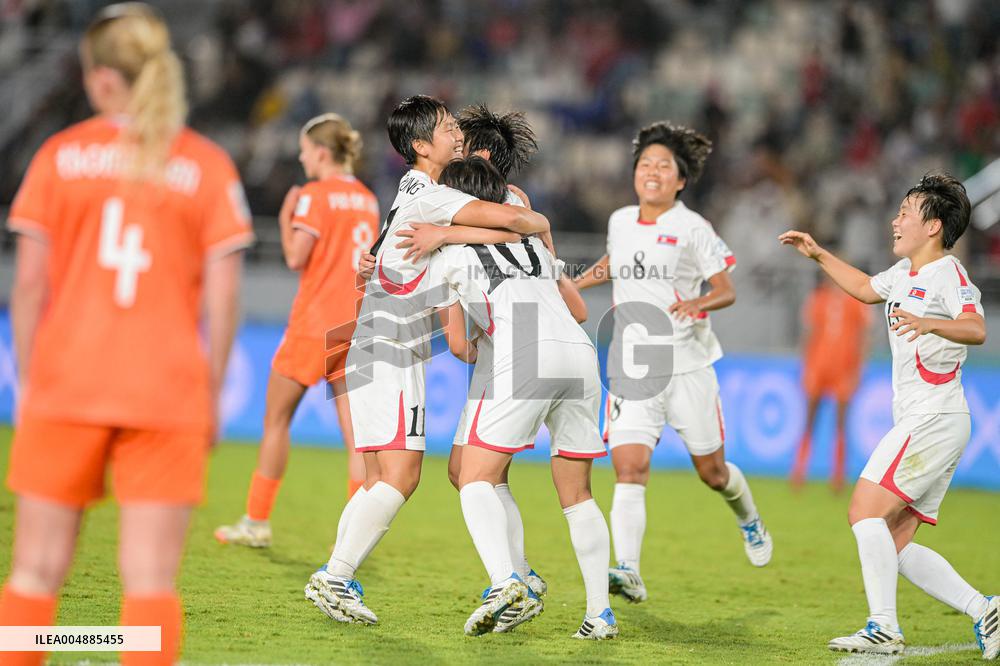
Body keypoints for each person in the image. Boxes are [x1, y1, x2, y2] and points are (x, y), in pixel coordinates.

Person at [0, 4, 253, 665]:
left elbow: (27, 288)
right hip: (166, 391)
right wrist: (211, 392)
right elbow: (224, 299)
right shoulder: (205, 165)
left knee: (33, 574)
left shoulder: (59, 157)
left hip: (66, 385)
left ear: (104, 79)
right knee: (149, 584)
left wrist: (32, 385)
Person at [304, 95, 550, 625]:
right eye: (445, 128)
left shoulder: (414, 192)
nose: (457, 133)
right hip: (390, 351)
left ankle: (335, 577)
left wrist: (382, 261)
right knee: (400, 476)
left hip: (374, 344)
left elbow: (402, 252)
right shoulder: (431, 197)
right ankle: (335, 576)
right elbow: (515, 220)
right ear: (420, 145)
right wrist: (510, 223)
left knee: (378, 479)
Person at [780, 173, 997, 658]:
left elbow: (976, 329)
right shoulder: (902, 275)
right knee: (893, 542)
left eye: (905, 212)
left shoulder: (949, 273)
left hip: (934, 417)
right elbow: (861, 286)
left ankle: (882, 626)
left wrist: (928, 322)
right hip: (929, 420)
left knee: (862, 511)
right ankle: (986, 610)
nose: (894, 220)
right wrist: (818, 254)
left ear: (934, 226)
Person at [575, 121, 772, 605]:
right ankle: (629, 570)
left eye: (664, 166)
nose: (653, 172)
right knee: (629, 466)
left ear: (681, 180)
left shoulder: (692, 227)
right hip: (632, 365)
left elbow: (725, 289)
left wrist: (698, 304)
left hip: (687, 363)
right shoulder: (620, 220)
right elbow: (614, 264)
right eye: (645, 164)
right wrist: (573, 284)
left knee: (713, 473)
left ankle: (748, 517)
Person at [432, 156, 617, 639]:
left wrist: (482, 339)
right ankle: (600, 614)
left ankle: (507, 582)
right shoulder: (531, 241)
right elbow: (576, 307)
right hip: (579, 355)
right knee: (577, 495)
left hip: (524, 355)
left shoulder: (446, 253)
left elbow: (459, 347)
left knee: (473, 478)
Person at [215, 113, 377, 548]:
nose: (302, 157)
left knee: (275, 421)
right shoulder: (366, 198)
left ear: (321, 153)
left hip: (313, 325)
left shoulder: (312, 195)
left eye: (305, 150)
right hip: (355, 326)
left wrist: (288, 217)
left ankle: (256, 522)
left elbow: (294, 257)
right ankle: (352, 539)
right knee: (357, 441)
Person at [792, 271, 870, 492]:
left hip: (844, 368)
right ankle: (799, 472)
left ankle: (838, 476)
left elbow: (864, 335)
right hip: (818, 366)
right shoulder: (818, 298)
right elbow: (809, 332)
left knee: (841, 423)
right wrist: (805, 365)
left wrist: (858, 368)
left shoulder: (856, 301)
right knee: (809, 420)